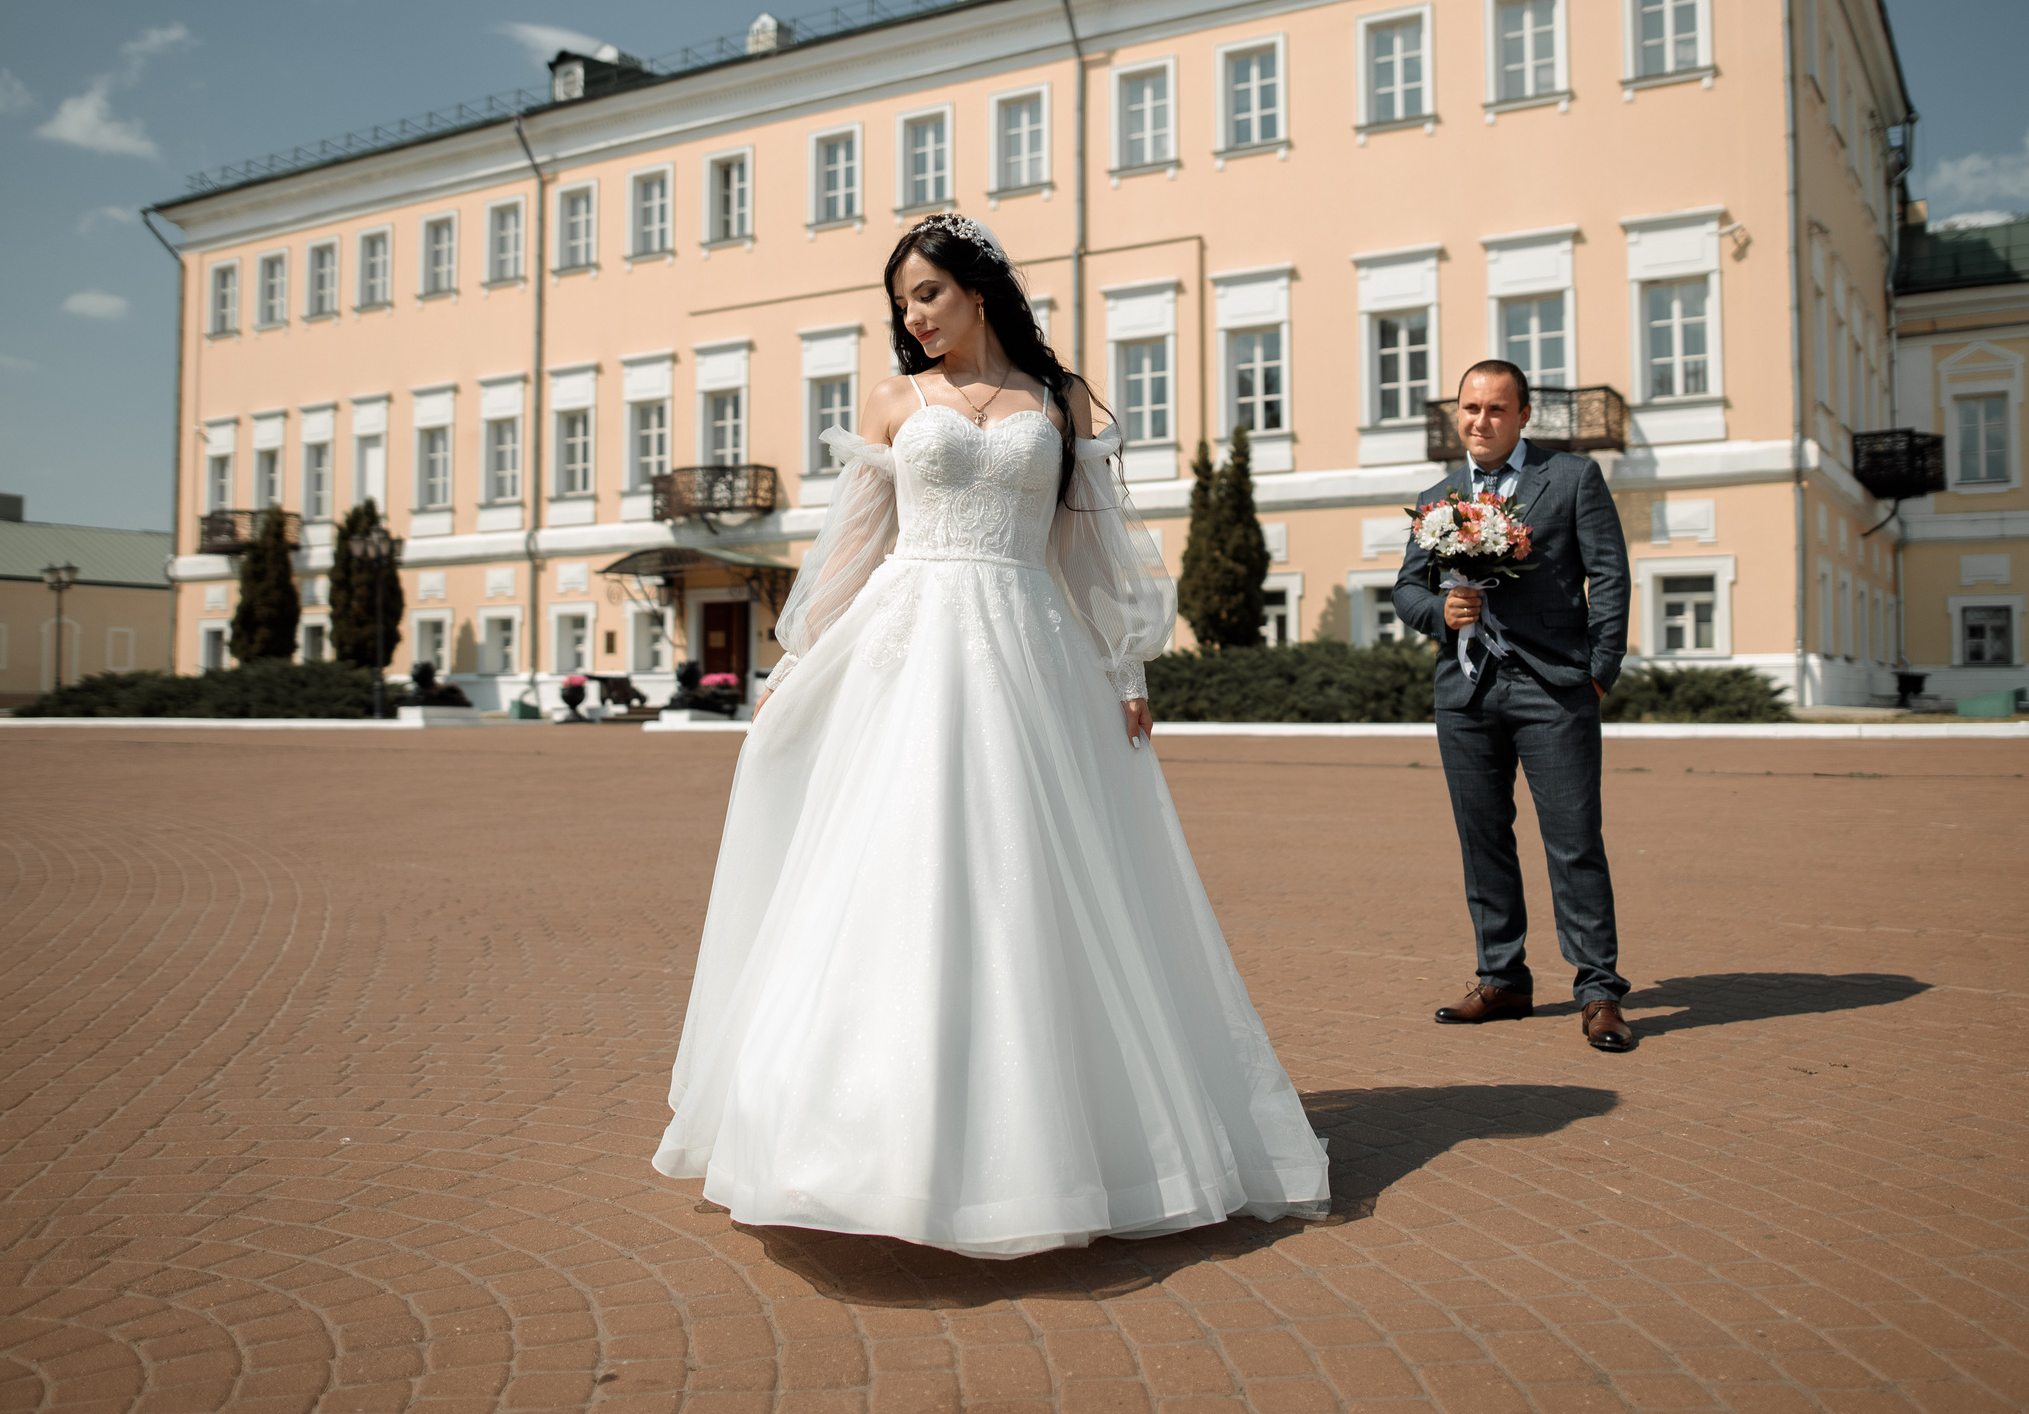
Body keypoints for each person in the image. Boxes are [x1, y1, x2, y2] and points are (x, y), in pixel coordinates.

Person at [653, 213, 1329, 1257]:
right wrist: (794, 663)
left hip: (1031, 651)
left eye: (925, 293)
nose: (911, 317)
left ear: (978, 289)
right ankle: (857, 1144)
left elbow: (1089, 552)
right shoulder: (892, 403)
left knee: (1034, 877)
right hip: (908, 653)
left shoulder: (1056, 402)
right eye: (900, 303)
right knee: (896, 873)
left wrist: (1125, 664)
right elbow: (855, 550)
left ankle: (1056, 1146)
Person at [1392, 360, 1638, 1053]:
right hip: (1466, 691)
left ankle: (1597, 992)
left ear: (1524, 415)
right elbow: (1406, 590)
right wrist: (1441, 609)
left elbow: (1610, 575)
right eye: (1470, 408)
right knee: (1483, 840)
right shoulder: (1438, 495)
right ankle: (1502, 978)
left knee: (1573, 839)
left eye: (1497, 409)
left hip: (1554, 687)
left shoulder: (1571, 479)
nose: (1480, 421)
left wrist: (1598, 672)